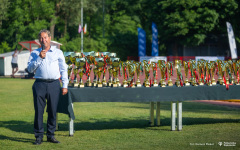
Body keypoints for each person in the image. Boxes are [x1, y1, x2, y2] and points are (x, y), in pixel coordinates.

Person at [27, 29, 69, 145]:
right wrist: (39, 58)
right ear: (39, 40)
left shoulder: (58, 52)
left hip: (54, 84)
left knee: (52, 111)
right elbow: (30, 69)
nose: (43, 40)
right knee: (39, 111)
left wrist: (65, 85)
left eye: (45, 37)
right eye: (41, 38)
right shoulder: (34, 53)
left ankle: (51, 135)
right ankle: (38, 136)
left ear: (50, 39)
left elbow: (64, 69)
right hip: (39, 84)